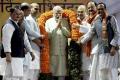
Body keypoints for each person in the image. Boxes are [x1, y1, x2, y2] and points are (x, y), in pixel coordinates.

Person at [78, 2, 120, 80]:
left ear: (105, 9)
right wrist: (81, 40)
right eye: (98, 9)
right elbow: (90, 33)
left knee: (112, 72)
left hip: (111, 51)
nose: (100, 11)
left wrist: (113, 47)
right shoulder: (96, 22)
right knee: (102, 72)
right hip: (101, 50)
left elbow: (117, 34)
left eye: (101, 9)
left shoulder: (111, 19)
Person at [0, 6, 34, 80]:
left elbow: (25, 40)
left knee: (16, 76)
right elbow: (6, 41)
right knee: (9, 77)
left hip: (17, 56)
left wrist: (31, 52)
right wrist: (8, 54)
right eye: (16, 14)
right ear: (11, 14)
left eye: (20, 14)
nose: (18, 16)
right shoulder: (9, 25)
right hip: (11, 56)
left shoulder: (18, 25)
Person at [45, 6, 70, 80]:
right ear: (53, 13)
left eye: (60, 13)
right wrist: (57, 26)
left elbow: (68, 34)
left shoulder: (65, 21)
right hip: (53, 51)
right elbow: (48, 35)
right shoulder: (48, 21)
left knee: (62, 73)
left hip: (63, 52)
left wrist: (61, 26)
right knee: (52, 72)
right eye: (56, 13)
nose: (58, 14)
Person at [67, 4, 91, 80]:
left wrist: (79, 27)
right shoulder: (74, 21)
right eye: (78, 12)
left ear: (85, 12)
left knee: (86, 69)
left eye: (81, 12)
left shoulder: (89, 21)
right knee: (76, 68)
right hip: (75, 48)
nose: (79, 14)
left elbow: (90, 31)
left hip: (86, 48)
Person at [25, 3, 44, 80]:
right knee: (32, 72)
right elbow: (31, 35)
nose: (37, 10)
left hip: (35, 48)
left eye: (38, 9)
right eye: (35, 8)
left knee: (35, 71)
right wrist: (40, 44)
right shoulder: (29, 20)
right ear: (30, 9)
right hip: (32, 49)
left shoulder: (34, 19)